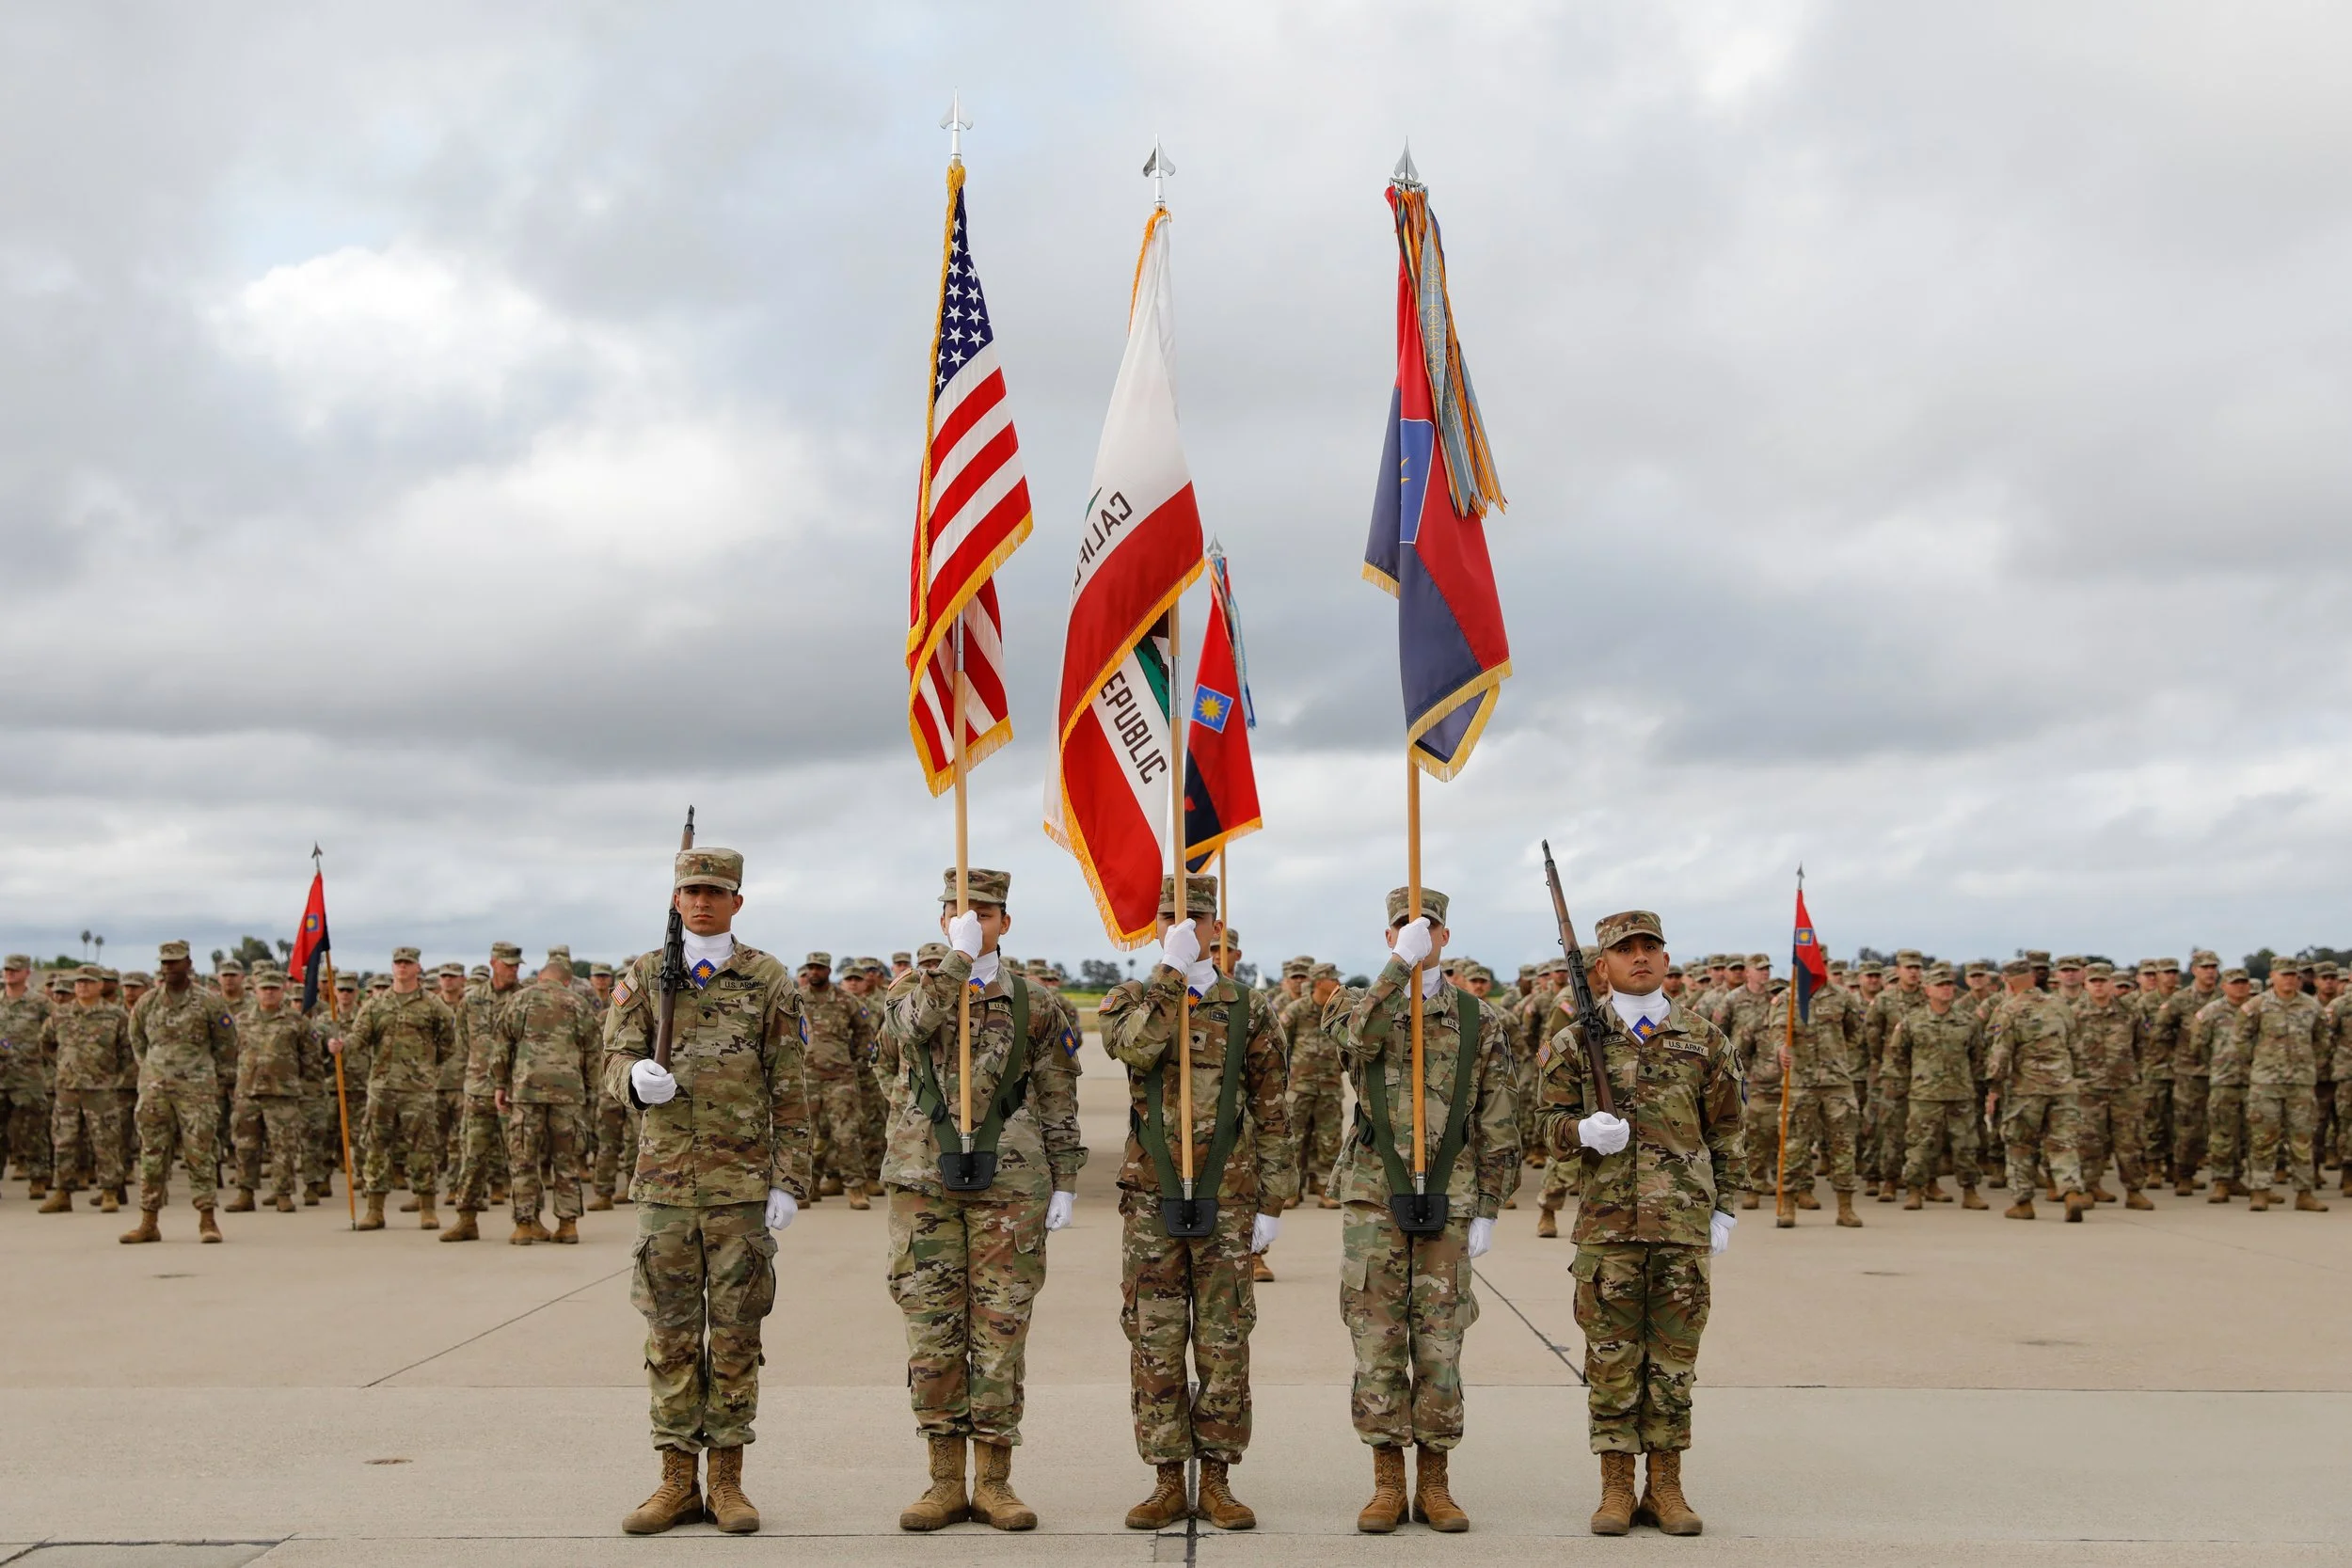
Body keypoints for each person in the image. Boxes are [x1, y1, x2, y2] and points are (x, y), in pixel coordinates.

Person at [605, 845, 813, 1536]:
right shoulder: (643, 974)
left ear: (737, 901)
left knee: (735, 1335)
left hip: (740, 1188)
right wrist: (634, 1075)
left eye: (715, 890)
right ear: (675, 897)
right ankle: (674, 1479)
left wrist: (789, 1179)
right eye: (691, 888)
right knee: (668, 1335)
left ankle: (726, 1480)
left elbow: (790, 1086)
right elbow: (610, 1055)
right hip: (665, 1185)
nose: (701, 900)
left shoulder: (767, 978)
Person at [877, 868, 1084, 1533]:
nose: (976, 920)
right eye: (963, 911)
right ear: (943, 919)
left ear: (1007, 920)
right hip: (925, 1181)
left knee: (1000, 1330)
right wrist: (957, 959)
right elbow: (904, 1041)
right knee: (932, 1330)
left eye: (988, 912)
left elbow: (1057, 1093)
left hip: (1011, 1182)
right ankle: (942, 1480)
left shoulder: (1035, 1001)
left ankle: (995, 1481)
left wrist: (1066, 1178)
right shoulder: (911, 989)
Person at [1534, 911, 1740, 1537]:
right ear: (1604, 964)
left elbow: (1728, 1129)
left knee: (1675, 1361)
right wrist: (1580, 1131)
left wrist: (1726, 1205)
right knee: (1613, 1360)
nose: (1641, 957)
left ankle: (1667, 1486)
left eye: (1651, 946)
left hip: (1681, 1226)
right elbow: (1542, 1126)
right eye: (1627, 948)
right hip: (1607, 1229)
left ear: (1666, 958)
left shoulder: (1704, 1038)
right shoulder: (1575, 1040)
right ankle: (1618, 1486)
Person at [1097, 873, 1292, 1530]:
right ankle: (1163, 1478)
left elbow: (1272, 1107)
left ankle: (1217, 1477)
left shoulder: (1248, 1005)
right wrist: (1169, 976)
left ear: (1216, 925)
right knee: (1154, 1339)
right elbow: (1136, 1047)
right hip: (1152, 1195)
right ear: (1156, 928)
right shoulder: (1130, 997)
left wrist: (1273, 1200)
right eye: (1172, 919)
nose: (1186, 927)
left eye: (1199, 917)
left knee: (1224, 1341)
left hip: (1229, 1197)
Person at [1330, 886, 1518, 1533]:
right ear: (1390, 938)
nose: (1418, 936)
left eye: (1429, 926)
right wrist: (1395, 973)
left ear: (1446, 935)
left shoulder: (1480, 1019)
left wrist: (1491, 1203)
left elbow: (1497, 1118)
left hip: (1452, 1194)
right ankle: (1386, 1480)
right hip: (1374, 1198)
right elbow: (1357, 1045)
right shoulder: (1356, 1003)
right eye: (1404, 929)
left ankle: (1435, 1481)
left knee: (1440, 1343)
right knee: (1376, 1339)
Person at [119, 941, 237, 1243]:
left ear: (188, 963)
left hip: (196, 1091)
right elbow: (138, 1042)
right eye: (165, 963)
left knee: (200, 1153)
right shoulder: (147, 1002)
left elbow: (226, 1043)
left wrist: (214, 1078)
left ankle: (207, 1220)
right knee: (152, 1153)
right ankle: (148, 1222)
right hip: (155, 1091)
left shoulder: (209, 1002)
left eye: (175, 962)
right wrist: (152, 1071)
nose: (169, 968)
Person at [336, 947, 457, 1231]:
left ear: (418, 968)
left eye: (408, 963)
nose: (402, 967)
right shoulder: (377, 1005)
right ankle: (375, 1210)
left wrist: (427, 1070)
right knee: (376, 1147)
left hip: (417, 1089)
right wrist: (342, 1047)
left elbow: (448, 1044)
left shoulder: (433, 1005)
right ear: (392, 968)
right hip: (382, 1087)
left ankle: (427, 1207)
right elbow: (359, 1037)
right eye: (398, 963)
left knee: (422, 1149)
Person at [491, 949, 601, 1243]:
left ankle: (525, 1225)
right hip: (568, 1094)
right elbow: (593, 1052)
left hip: (527, 1093)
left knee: (524, 1159)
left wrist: (500, 1085)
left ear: (541, 977)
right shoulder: (578, 1004)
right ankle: (568, 1225)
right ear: (566, 982)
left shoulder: (519, 1000)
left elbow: (502, 1046)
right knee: (566, 1161)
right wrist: (590, 1091)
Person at [1985, 958, 2092, 1221]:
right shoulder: (2060, 1006)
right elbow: (2077, 1048)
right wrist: (2075, 1079)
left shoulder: (2008, 1010)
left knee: (2019, 1144)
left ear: (2007, 981)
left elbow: (2001, 1054)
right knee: (2063, 1143)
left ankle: (2023, 1202)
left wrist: (1993, 1088)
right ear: (2032, 978)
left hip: (2026, 1089)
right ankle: (2070, 1193)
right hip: (2062, 1086)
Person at [1888, 966, 1986, 1209]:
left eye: (1949, 985)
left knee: (1965, 1146)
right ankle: (1914, 1190)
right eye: (1940, 985)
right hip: (1925, 1094)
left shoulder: (1967, 1020)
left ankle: (1970, 1191)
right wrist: (1915, 1079)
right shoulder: (1913, 1021)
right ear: (1927, 989)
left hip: (1960, 1093)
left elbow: (1978, 1056)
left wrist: (1968, 1081)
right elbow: (1899, 1054)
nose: (1946, 989)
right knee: (1920, 1145)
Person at [227, 972, 323, 1213]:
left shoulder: (296, 1021)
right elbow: (229, 1053)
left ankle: (283, 1193)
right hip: (248, 1092)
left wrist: (306, 1085)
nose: (269, 992)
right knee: (245, 1146)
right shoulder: (241, 1020)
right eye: (264, 988)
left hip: (283, 1093)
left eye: (274, 988)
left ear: (283, 991)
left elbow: (311, 1056)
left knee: (284, 1147)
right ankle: (245, 1193)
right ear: (255, 991)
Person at [39, 965, 132, 1212]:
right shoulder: (60, 1015)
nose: (82, 986)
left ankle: (109, 1191)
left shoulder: (115, 1016)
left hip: (100, 1089)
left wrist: (111, 1075)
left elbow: (127, 1052)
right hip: (68, 1088)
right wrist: (63, 1066)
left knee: (105, 1141)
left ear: (100, 985)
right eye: (79, 982)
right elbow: (46, 1043)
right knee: (64, 1141)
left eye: (89, 982)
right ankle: (62, 1192)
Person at [2243, 958, 2328, 1212]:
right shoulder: (2257, 1005)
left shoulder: (2311, 1006)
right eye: (2285, 975)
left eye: (2294, 975)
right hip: (2266, 1083)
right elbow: (2241, 1039)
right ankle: (2260, 1191)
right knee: (2263, 1139)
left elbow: (2322, 1041)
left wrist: (2308, 1066)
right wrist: (2258, 1067)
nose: (2290, 979)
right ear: (2273, 976)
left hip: (2300, 1084)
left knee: (2302, 1139)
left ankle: (2304, 1193)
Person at [798, 951, 877, 1209]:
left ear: (828, 971)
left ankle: (856, 1189)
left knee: (846, 1134)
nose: (814, 972)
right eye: (811, 967)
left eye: (819, 968)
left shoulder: (844, 999)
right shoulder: (797, 999)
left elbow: (865, 1029)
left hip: (840, 1077)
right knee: (805, 1134)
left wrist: (856, 1057)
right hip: (807, 1075)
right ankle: (807, 1188)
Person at [2072, 964, 2153, 1209]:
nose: (2098, 985)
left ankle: (2134, 1191)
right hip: (2088, 1088)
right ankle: (2088, 1187)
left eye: (2103, 981)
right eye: (2093, 981)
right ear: (2085, 984)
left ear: (2111, 983)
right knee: (2089, 1142)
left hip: (2124, 1088)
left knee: (2130, 1141)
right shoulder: (2074, 1014)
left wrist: (2131, 1074)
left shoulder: (2130, 1012)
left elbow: (2142, 1046)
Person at [1282, 962, 1349, 1210]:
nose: (1338, 983)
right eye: (1334, 979)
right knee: (1295, 1139)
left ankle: (1325, 1189)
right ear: (1320, 982)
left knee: (1329, 1139)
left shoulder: (1339, 1011)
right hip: (1300, 1087)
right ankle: (1291, 1190)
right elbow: (1280, 1045)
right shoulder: (1297, 1010)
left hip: (1330, 1086)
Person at [0, 954, 56, 1199]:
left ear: (27, 973)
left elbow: (58, 1032)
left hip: (29, 1077)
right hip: (1, 1077)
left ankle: (38, 1178)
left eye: (15, 970)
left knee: (33, 1129)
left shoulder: (40, 1003)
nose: (10, 973)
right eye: (7, 969)